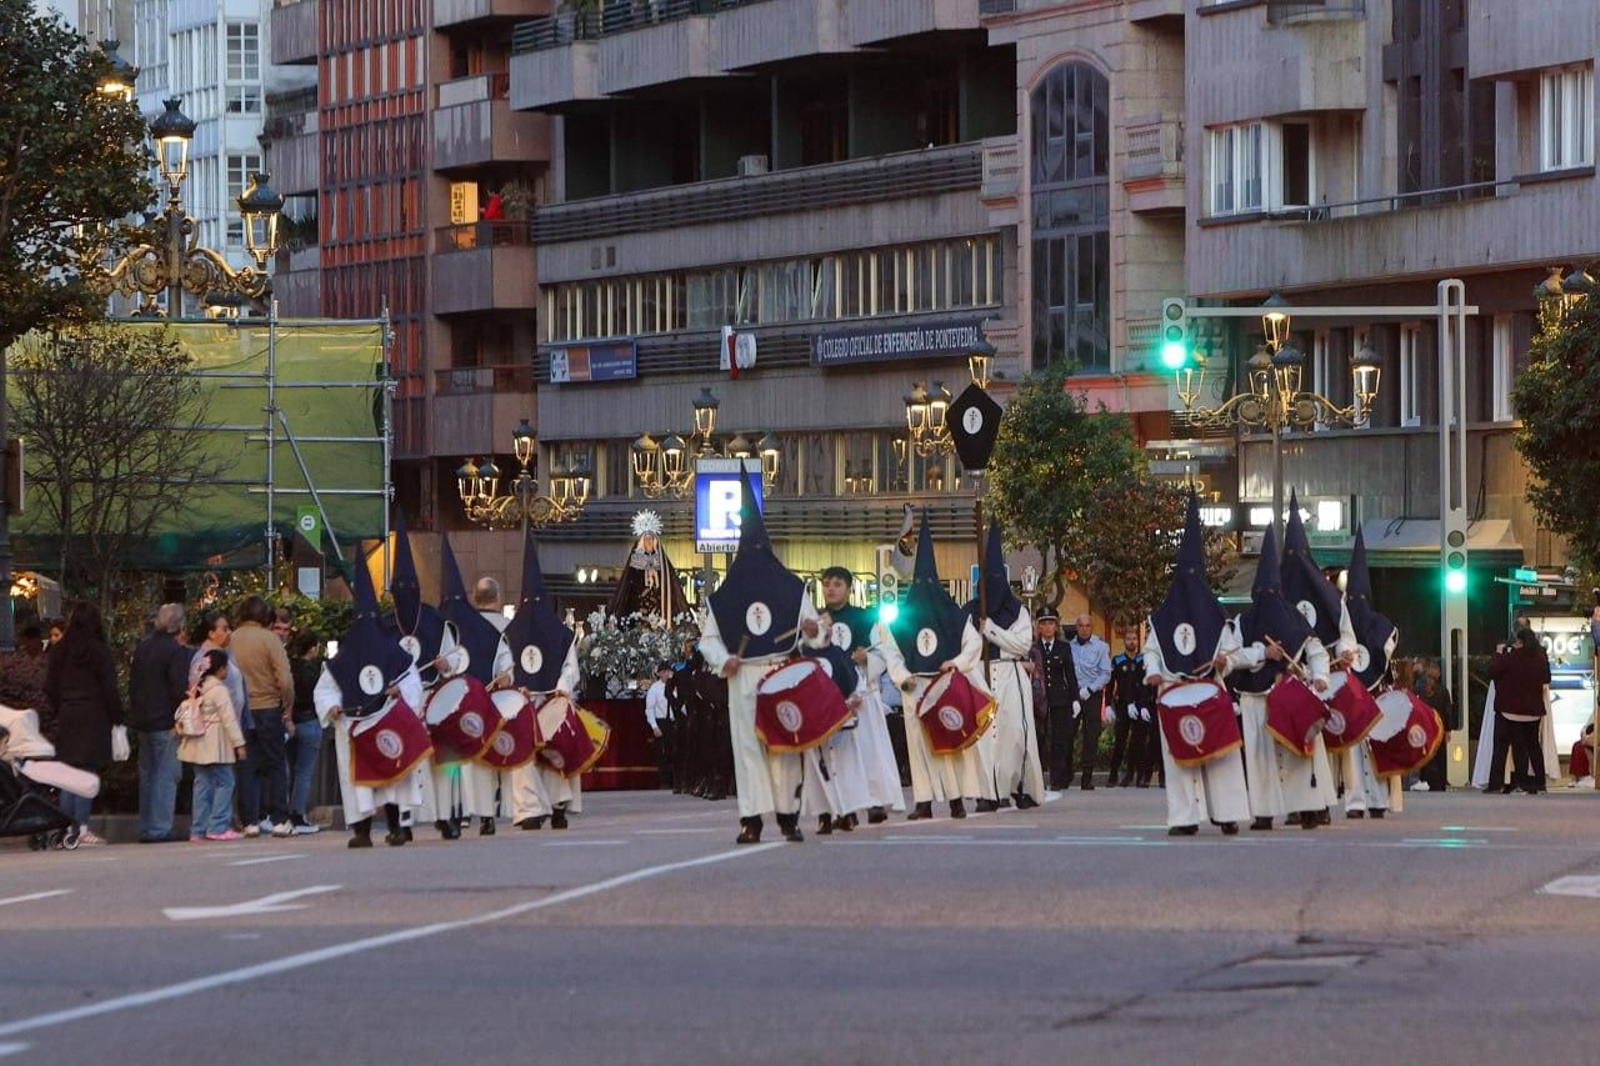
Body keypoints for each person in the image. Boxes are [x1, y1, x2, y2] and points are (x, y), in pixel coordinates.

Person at [699, 474, 825, 844]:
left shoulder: (791, 586)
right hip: (744, 676)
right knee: (748, 748)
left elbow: (814, 627)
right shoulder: (724, 596)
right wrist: (725, 661)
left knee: (784, 745)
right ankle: (750, 819)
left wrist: (813, 629)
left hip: (780, 673)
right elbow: (708, 640)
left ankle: (787, 816)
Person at [1143, 495, 1249, 837]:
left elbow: (1234, 654)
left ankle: (1226, 813)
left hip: (1209, 691)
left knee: (1221, 757)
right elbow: (1152, 652)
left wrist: (1224, 662)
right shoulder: (1161, 618)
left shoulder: (1217, 617)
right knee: (1177, 761)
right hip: (1174, 691)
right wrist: (1153, 672)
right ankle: (1183, 817)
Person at [877, 512, 993, 821]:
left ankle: (956, 799)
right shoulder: (902, 618)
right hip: (915, 686)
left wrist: (954, 663)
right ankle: (924, 801)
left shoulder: (954, 615)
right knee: (918, 746)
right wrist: (903, 678)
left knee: (951, 741)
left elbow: (973, 644)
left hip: (944, 685)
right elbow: (891, 652)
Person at [317, 556, 429, 848]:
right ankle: (362, 831)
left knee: (394, 777)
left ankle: (398, 827)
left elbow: (412, 683)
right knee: (360, 784)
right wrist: (332, 707)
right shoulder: (341, 659)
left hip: (387, 720)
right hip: (355, 728)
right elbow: (326, 688)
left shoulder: (395, 654)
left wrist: (399, 693)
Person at [1235, 523, 1331, 830]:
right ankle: (1263, 811)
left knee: (1296, 752)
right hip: (1253, 698)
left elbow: (1316, 651)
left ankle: (1306, 808)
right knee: (1260, 756)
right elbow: (1231, 657)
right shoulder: (1243, 621)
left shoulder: (1294, 618)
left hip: (1288, 693)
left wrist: (1320, 678)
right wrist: (1263, 654)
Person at [429, 535, 514, 836]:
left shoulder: (457, 629)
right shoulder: (497, 629)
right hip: (469, 703)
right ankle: (474, 813)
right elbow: (506, 663)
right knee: (471, 764)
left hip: (460, 704)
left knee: (468, 763)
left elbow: (502, 664)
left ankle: (477, 814)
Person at [1280, 498, 1358, 823]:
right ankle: (1293, 804)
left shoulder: (1330, 599)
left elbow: (1346, 633)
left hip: (1317, 677)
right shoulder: (1277, 591)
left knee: (1314, 745)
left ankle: (1319, 803)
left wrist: (1344, 652)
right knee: (1286, 745)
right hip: (1284, 679)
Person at [505, 530, 586, 831]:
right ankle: (533, 809)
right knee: (528, 757)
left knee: (555, 754)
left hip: (550, 701)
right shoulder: (514, 634)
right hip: (526, 702)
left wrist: (560, 691)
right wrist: (515, 687)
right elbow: (505, 668)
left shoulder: (558, 635)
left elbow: (570, 667)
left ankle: (553, 807)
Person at [963, 522, 1043, 811]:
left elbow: (1022, 645)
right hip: (980, 678)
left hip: (1010, 674)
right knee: (984, 738)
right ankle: (987, 792)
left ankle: (1019, 787)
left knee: (1014, 736)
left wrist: (993, 630)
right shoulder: (970, 611)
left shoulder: (1017, 611)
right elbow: (966, 645)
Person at [821, 564, 904, 822]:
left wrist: (866, 658)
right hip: (831, 692)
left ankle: (875, 801)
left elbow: (884, 651)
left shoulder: (866, 618)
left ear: (848, 588)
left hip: (861, 690)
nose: (831, 589)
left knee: (868, 748)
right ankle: (843, 806)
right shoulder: (816, 619)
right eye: (827, 584)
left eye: (837, 584)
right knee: (838, 753)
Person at [44, 602, 125, 846]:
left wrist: (62, 706)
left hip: (69, 714)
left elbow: (49, 687)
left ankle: (68, 825)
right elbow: (110, 688)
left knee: (69, 772)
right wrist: (117, 718)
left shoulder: (60, 651)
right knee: (86, 771)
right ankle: (82, 826)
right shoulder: (99, 651)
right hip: (94, 715)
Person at [230, 595, 296, 838]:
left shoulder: (232, 638)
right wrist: (287, 707)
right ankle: (279, 819)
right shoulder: (269, 639)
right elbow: (285, 679)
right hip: (268, 707)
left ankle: (250, 821)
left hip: (241, 709)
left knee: (247, 766)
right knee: (276, 763)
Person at [128, 602, 191, 843]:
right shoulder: (173, 651)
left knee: (147, 775)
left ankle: (146, 826)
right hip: (165, 721)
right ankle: (160, 828)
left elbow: (134, 685)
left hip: (143, 721)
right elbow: (177, 688)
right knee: (167, 775)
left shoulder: (143, 647)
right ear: (180, 625)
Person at [180, 650, 249, 842]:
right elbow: (229, 719)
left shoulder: (198, 688)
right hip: (216, 742)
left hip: (198, 742)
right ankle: (218, 826)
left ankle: (198, 829)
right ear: (220, 669)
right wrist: (239, 743)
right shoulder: (219, 690)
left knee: (202, 784)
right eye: (225, 667)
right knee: (226, 782)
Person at [1487, 628, 1550, 793]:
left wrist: (1499, 653)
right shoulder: (1540, 659)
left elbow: (1493, 671)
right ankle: (1539, 782)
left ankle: (1496, 783)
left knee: (1502, 747)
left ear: (1519, 642)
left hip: (1509, 710)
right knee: (1532, 746)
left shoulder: (1511, 658)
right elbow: (1546, 678)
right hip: (1533, 712)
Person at [608, 509, 688, 625]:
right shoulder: (636, 561)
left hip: (659, 609)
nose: (649, 541)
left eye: (651, 538)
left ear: (655, 540)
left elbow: (670, 584)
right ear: (642, 541)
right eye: (646, 539)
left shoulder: (662, 561)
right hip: (639, 608)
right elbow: (629, 585)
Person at [1034, 605, 1080, 792]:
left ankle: (1058, 778)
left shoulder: (1064, 647)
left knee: (1060, 740)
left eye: (1051, 623)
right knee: (1039, 739)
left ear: (1056, 626)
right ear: (1039, 627)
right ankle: (1037, 779)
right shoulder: (1033, 648)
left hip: (1061, 699)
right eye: (1043, 623)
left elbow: (1070, 674)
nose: (1047, 627)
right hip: (1039, 700)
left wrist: (1075, 698)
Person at [1065, 614, 1112, 791]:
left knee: (1090, 737)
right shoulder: (1069, 647)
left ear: (1091, 628)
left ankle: (1087, 778)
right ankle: (1067, 773)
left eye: (1087, 626)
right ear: (1076, 628)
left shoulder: (1101, 647)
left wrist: (1090, 690)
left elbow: (1105, 673)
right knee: (1068, 734)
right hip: (1073, 695)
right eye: (1081, 626)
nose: (1084, 629)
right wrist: (1074, 693)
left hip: (1092, 695)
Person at [285, 631, 324, 834]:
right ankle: (298, 813)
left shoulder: (289, 667)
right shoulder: (315, 672)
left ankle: (285, 813)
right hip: (310, 720)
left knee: (290, 769)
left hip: (291, 722)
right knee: (304, 772)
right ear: (312, 648)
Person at [1108, 630, 1154, 789]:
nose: (1132, 641)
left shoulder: (1144, 660)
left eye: (1134, 638)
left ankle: (1135, 775)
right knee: (1120, 741)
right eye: (1129, 639)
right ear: (1124, 641)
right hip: (1123, 706)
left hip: (1140, 706)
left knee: (1139, 742)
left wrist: (1143, 705)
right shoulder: (1118, 660)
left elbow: (1146, 684)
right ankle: (1113, 774)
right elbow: (1110, 684)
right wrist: (1108, 704)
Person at [644, 661, 674, 789]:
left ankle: (675, 780)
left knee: (674, 751)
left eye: (669, 671)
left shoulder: (675, 686)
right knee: (662, 753)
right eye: (664, 672)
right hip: (661, 721)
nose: (667, 674)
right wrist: (654, 726)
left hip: (673, 721)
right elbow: (649, 708)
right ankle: (664, 781)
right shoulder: (654, 689)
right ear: (660, 674)